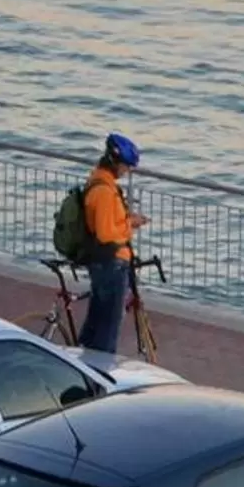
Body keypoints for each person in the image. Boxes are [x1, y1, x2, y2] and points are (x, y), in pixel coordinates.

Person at [77, 133, 146, 364]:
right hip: (112, 264)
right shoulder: (104, 191)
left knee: (96, 325)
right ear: (116, 162)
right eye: (126, 166)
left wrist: (124, 220)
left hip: (104, 263)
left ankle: (85, 368)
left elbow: (106, 222)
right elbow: (106, 233)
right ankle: (98, 375)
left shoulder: (99, 181)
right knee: (106, 334)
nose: (127, 171)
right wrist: (130, 224)